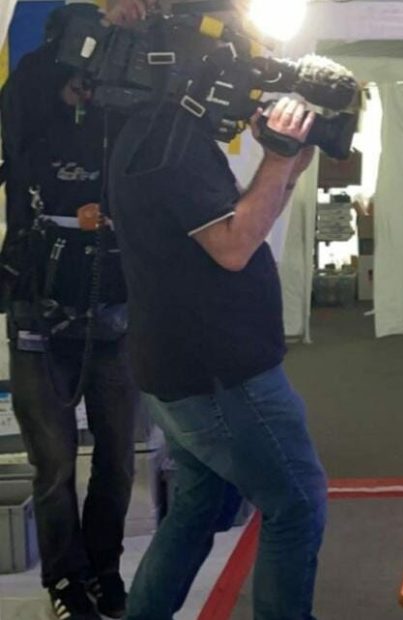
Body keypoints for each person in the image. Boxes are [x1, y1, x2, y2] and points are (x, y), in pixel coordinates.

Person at [108, 51, 328, 620]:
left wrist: (286, 167)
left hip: (179, 363)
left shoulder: (155, 134)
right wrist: (277, 157)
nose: (249, 98)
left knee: (199, 508)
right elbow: (233, 247)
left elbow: (244, 220)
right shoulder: (173, 146)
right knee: (296, 504)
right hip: (220, 375)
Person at [0, 2, 152, 618]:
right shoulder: (31, 93)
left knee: (118, 455)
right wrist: (82, 44)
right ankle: (65, 579)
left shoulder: (127, 99)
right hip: (39, 306)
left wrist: (130, 41)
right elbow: (25, 103)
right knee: (54, 462)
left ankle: (104, 567)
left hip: (114, 303)